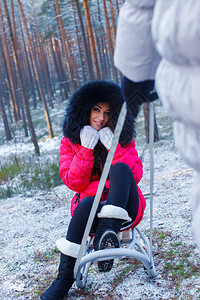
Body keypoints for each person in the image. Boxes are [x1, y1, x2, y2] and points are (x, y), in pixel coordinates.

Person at [40, 80, 146, 299]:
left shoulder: (124, 139)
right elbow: (73, 181)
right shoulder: (71, 142)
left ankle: (107, 234)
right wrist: (86, 149)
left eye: (107, 112)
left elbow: (135, 175)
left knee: (120, 169)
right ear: (84, 110)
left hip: (126, 206)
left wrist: (113, 147)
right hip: (90, 214)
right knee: (87, 201)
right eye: (96, 110)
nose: (101, 118)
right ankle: (65, 277)